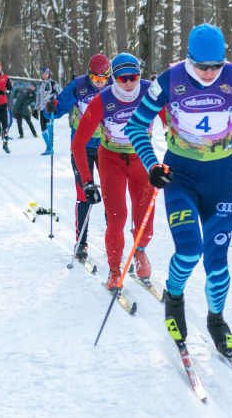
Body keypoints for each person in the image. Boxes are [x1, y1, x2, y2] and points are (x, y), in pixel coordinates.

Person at [125, 23, 232, 355]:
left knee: (217, 262)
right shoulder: (169, 80)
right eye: (202, 66)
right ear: (188, 59)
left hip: (218, 177)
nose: (210, 73)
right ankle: (174, 298)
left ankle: (216, 319)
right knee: (188, 251)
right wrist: (152, 165)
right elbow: (135, 125)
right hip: (180, 175)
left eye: (216, 65)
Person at [71, 54, 160, 289]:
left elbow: (174, 124)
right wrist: (88, 182)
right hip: (111, 160)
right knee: (117, 217)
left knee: (145, 220)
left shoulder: (150, 92)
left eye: (134, 77)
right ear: (114, 77)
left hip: (142, 158)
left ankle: (140, 252)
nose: (129, 83)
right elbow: (78, 143)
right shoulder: (103, 99)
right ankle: (114, 271)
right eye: (122, 78)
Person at [46, 54, 113, 258]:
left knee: (112, 194)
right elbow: (58, 109)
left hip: (106, 146)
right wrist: (51, 108)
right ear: (89, 74)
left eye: (104, 79)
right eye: (96, 79)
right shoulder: (78, 86)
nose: (100, 84)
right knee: (85, 193)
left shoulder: (115, 87)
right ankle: (81, 243)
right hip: (81, 146)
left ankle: (113, 241)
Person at [35, 67, 62, 155]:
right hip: (42, 110)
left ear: (49, 74)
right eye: (43, 74)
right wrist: (35, 109)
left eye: (46, 73)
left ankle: (50, 148)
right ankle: (48, 147)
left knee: (49, 127)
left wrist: (55, 103)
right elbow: (38, 98)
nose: (45, 75)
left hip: (49, 109)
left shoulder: (53, 83)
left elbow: (60, 93)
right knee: (43, 130)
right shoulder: (41, 85)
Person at [0, 62, 13, 153]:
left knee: (5, 125)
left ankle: (5, 144)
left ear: (1, 68)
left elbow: (11, 90)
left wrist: (4, 93)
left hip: (3, 105)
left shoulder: (5, 78)